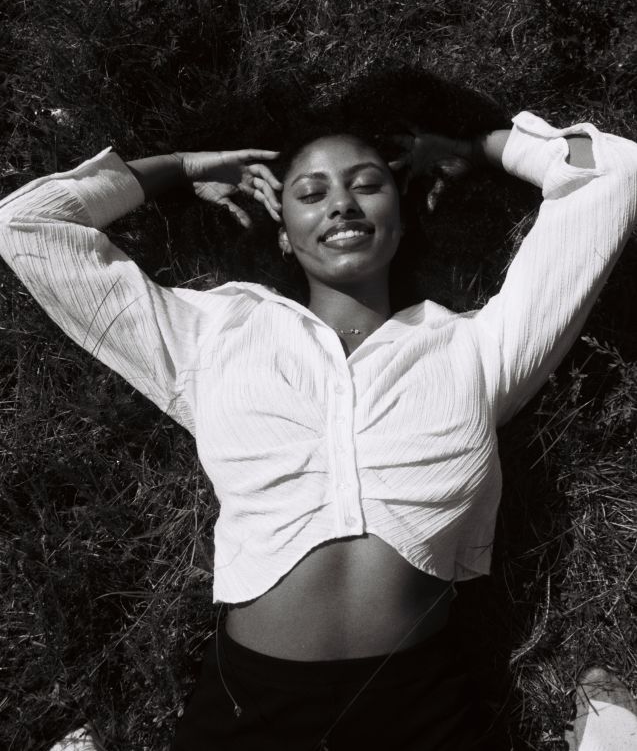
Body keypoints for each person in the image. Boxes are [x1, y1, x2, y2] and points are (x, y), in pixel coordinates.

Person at [1, 91, 636, 750]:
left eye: (367, 185)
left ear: (400, 219)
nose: (342, 204)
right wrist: (185, 168)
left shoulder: (477, 349)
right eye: (310, 193)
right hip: (251, 708)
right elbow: (29, 225)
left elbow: (610, 173)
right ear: (283, 232)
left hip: (418, 704)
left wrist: (472, 150)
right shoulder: (210, 335)